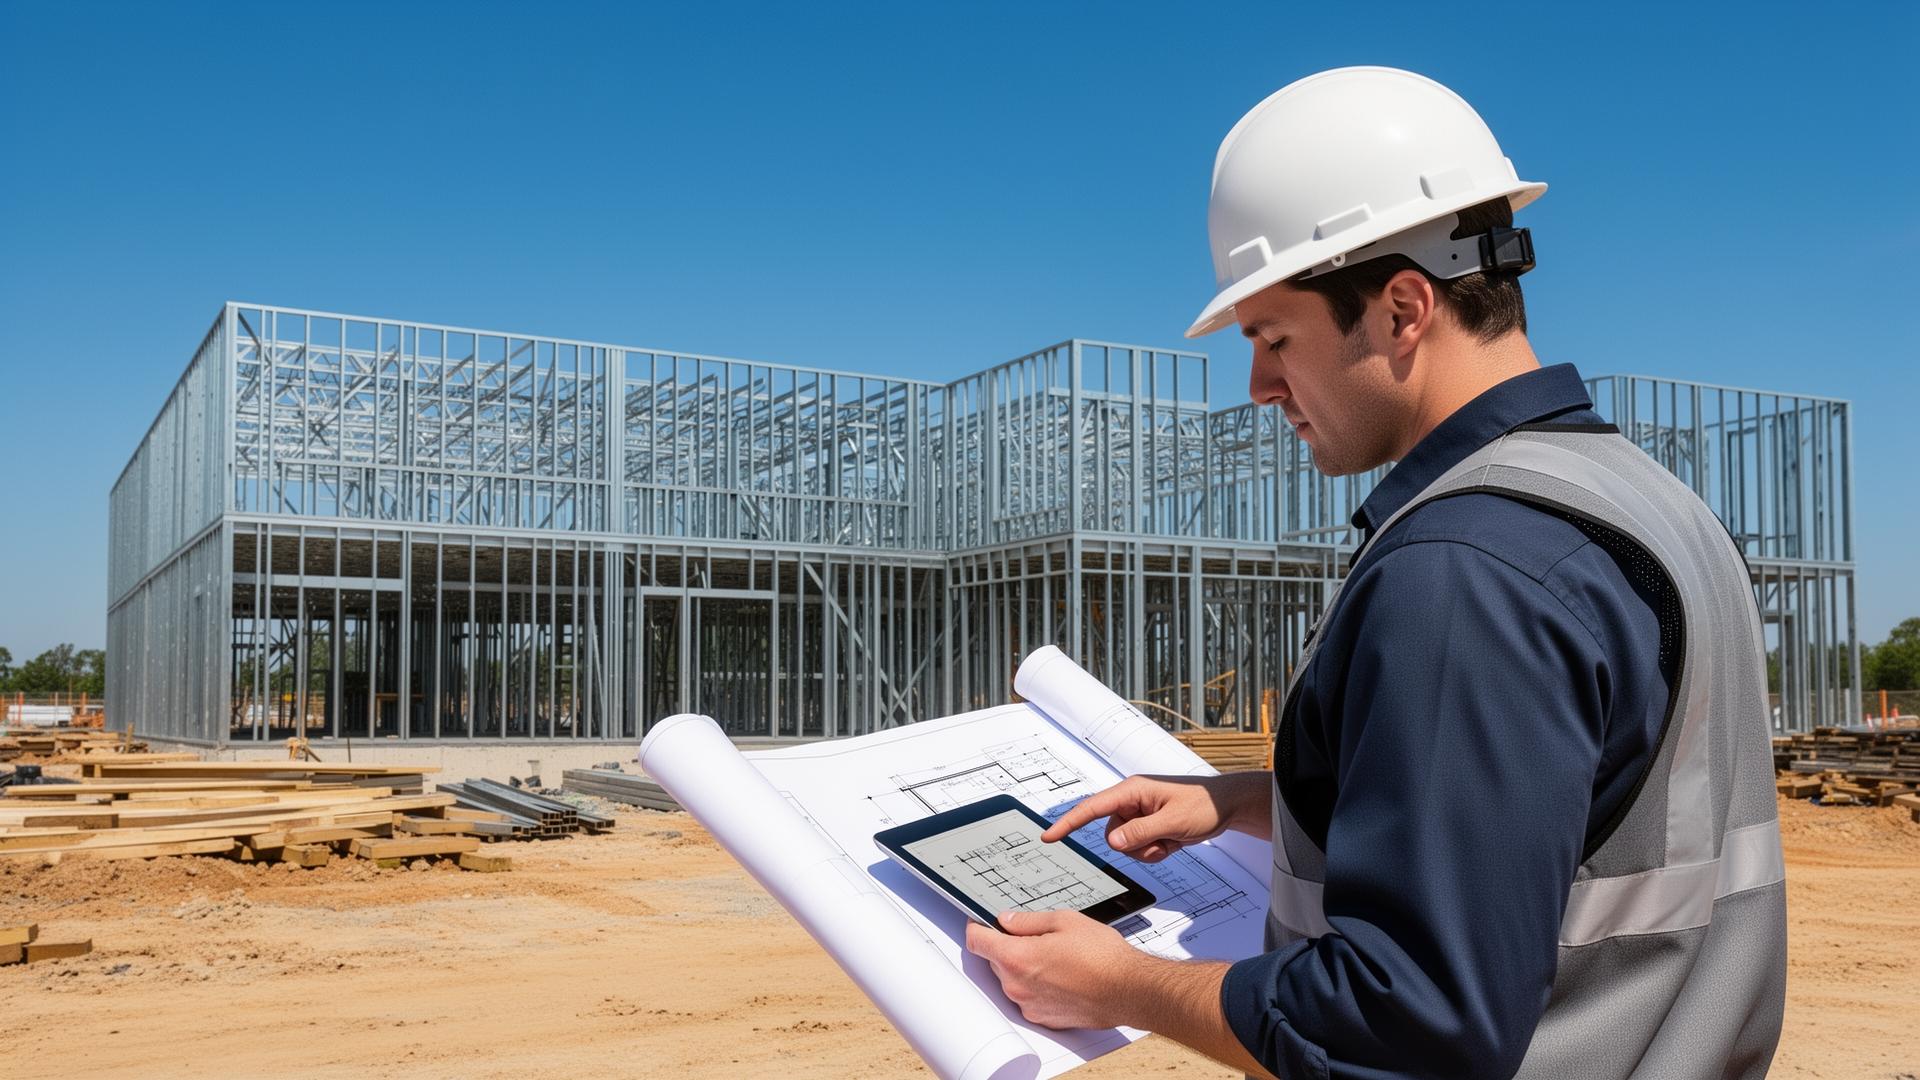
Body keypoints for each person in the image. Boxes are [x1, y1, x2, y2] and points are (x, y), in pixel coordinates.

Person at [963, 66, 1787, 1080]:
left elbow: (1409, 1026)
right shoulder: (1643, 502)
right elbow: (1580, 813)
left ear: (1403, 308)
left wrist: (1123, 984)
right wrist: (1251, 801)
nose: (1261, 387)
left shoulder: (1467, 570)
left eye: (1274, 338)